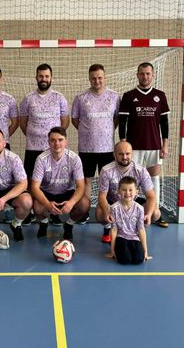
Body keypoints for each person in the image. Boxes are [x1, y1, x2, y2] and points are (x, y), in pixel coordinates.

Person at [118, 62, 169, 228]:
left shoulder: (160, 96)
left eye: (148, 73)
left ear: (152, 75)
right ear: (137, 75)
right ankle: (130, 212)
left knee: (154, 178)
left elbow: (164, 122)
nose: (145, 76)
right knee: (132, 180)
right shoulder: (128, 96)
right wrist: (123, 143)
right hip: (134, 147)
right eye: (142, 73)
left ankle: (155, 211)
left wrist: (165, 144)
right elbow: (123, 122)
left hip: (154, 145)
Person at [19, 63, 69, 226]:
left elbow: (65, 122)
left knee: (52, 182)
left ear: (51, 78)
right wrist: (34, 135)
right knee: (31, 181)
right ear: (36, 77)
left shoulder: (59, 98)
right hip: (33, 148)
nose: (44, 79)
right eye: (41, 76)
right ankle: (29, 212)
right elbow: (23, 122)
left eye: (46, 76)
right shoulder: (28, 99)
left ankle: (54, 212)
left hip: (53, 150)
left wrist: (55, 140)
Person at [71, 64, 120, 222]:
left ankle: (108, 212)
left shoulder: (114, 97)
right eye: (93, 78)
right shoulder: (81, 98)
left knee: (108, 180)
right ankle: (84, 212)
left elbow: (116, 119)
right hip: (87, 148)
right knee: (86, 180)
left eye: (100, 78)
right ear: (89, 79)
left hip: (107, 148)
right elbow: (75, 119)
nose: (97, 81)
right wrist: (88, 132)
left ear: (105, 78)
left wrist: (105, 132)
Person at [31, 127, 90, 240]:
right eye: (53, 140)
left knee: (85, 203)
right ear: (48, 142)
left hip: (67, 193)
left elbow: (81, 186)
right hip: (47, 192)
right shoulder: (41, 159)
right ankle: (43, 222)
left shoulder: (74, 159)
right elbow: (34, 187)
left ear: (66, 141)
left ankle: (69, 224)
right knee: (37, 206)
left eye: (60, 140)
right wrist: (47, 204)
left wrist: (71, 203)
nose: (56, 143)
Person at [97, 141, 162, 243]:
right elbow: (102, 196)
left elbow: (151, 196)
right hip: (113, 202)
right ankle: (108, 228)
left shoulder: (141, 170)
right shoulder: (106, 170)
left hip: (133, 202)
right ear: (114, 155)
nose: (125, 157)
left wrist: (148, 214)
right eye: (121, 154)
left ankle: (134, 231)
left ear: (132, 154)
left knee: (155, 213)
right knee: (99, 213)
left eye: (127, 154)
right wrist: (106, 212)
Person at [104, 177, 152, 265]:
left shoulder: (140, 208)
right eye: (124, 190)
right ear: (118, 191)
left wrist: (145, 252)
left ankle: (134, 251)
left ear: (136, 192)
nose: (127, 193)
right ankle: (117, 248)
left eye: (130, 190)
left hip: (134, 238)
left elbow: (141, 229)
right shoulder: (114, 208)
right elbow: (114, 230)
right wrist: (112, 251)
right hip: (121, 237)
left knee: (139, 259)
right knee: (125, 260)